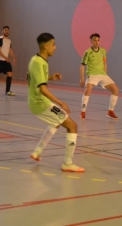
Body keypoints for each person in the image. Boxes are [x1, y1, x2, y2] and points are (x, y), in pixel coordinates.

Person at [27, 33, 84, 172]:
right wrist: (61, 102)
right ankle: (68, 163)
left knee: (57, 122)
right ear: (46, 46)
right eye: (53, 45)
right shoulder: (39, 62)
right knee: (72, 126)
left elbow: (35, 78)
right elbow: (42, 88)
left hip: (37, 101)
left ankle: (37, 152)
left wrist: (51, 77)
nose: (55, 48)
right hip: (40, 102)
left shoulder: (36, 60)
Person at [80, 33, 119, 119]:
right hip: (92, 74)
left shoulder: (103, 51)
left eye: (98, 40)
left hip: (102, 74)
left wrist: (105, 74)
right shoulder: (87, 52)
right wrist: (82, 79)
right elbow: (82, 66)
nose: (97, 42)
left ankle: (110, 111)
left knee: (116, 90)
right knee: (88, 90)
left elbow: (105, 63)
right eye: (95, 40)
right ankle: (83, 112)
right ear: (91, 41)